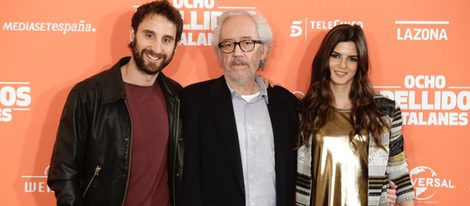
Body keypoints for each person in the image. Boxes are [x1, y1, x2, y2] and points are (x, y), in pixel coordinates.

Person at [47, 1, 184, 205]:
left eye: (166, 39)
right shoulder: (88, 95)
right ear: (132, 35)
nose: (157, 48)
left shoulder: (178, 97)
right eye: (149, 35)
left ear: (176, 46)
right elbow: (63, 173)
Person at [180, 11, 298, 206]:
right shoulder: (193, 101)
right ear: (218, 53)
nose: (237, 53)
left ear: (264, 50)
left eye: (247, 43)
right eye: (227, 44)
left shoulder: (287, 104)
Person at [295, 24, 415, 206]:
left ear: (360, 64)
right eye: (335, 55)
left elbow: (398, 168)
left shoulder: (384, 110)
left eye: (352, 59)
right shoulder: (305, 110)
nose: (342, 65)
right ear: (325, 58)